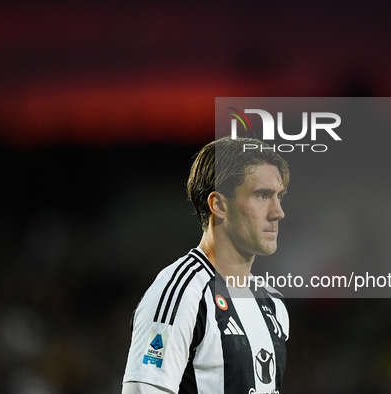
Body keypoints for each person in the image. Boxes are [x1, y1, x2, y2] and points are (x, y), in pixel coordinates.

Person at [122, 136, 290, 394]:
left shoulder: (273, 304)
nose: (278, 212)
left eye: (279, 197)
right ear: (219, 204)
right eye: (262, 196)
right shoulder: (182, 293)